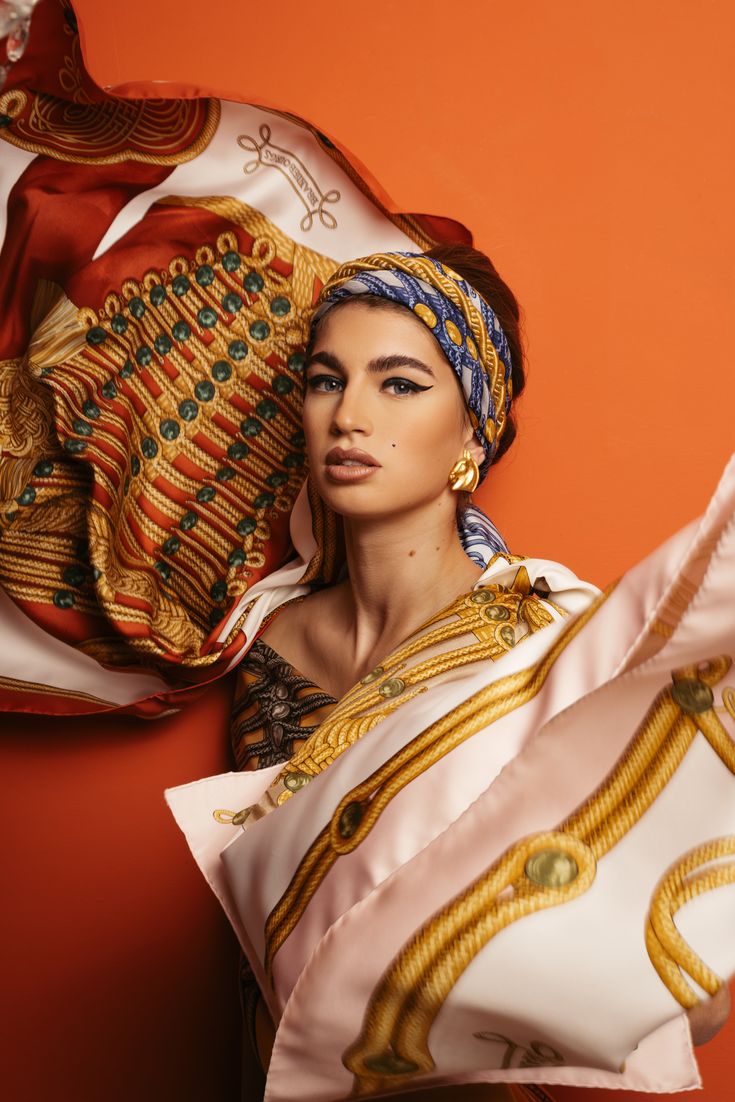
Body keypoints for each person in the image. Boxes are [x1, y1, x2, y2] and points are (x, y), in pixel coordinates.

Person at [209, 244, 731, 1101]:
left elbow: (694, 998)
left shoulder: (541, 638)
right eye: (325, 378)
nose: (349, 416)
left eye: (400, 384)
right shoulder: (268, 651)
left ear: (472, 431)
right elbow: (259, 957)